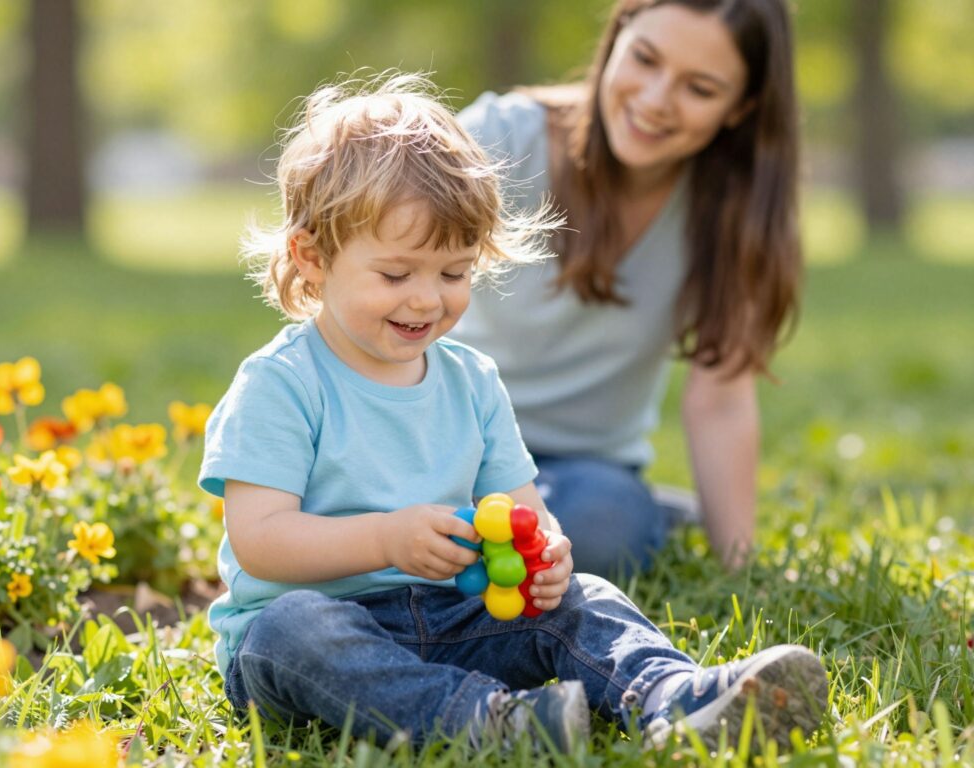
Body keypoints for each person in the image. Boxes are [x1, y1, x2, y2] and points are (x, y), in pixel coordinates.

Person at [199, 72, 826, 754]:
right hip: (315, 639)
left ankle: (676, 698)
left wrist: (546, 553)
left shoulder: (471, 380)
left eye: (453, 273)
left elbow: (521, 506)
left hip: (452, 617)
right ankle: (484, 722)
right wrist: (385, 541)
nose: (426, 300)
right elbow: (261, 541)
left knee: (586, 595)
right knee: (295, 628)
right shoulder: (283, 383)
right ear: (312, 258)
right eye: (396, 274)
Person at [452, 0, 802, 578]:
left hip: (583, 470)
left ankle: (634, 514)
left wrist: (740, 567)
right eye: (645, 58)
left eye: (700, 88)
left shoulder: (733, 212)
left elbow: (721, 401)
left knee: (602, 532)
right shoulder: (496, 140)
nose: (655, 99)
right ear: (615, 38)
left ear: (740, 107)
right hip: (447, 445)